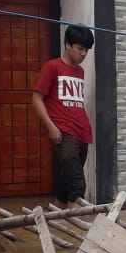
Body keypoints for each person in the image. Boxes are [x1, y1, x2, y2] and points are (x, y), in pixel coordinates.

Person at [32, 25, 95, 207]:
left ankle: (55, 222)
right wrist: (51, 127)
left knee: (65, 185)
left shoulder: (80, 72)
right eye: (80, 49)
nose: (83, 54)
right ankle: (78, 232)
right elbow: (36, 99)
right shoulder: (52, 67)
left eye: (87, 50)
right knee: (77, 185)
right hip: (64, 132)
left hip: (82, 131)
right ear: (68, 44)